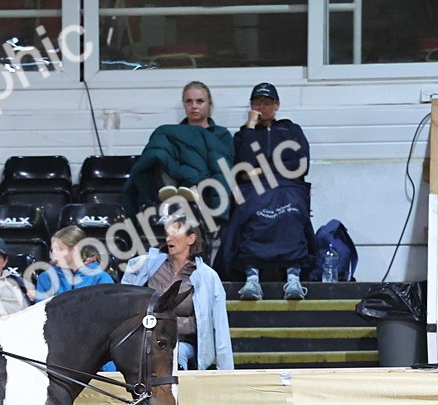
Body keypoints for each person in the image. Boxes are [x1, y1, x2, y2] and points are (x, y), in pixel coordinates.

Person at [222, 82, 315, 301]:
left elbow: (299, 164)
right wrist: (251, 128)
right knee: (254, 215)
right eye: (257, 102)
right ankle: (251, 277)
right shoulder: (242, 135)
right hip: (255, 190)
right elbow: (242, 166)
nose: (261, 107)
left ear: (277, 105)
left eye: (267, 102)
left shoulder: (291, 130)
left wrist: (260, 170)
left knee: (291, 213)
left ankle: (294, 277)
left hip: (288, 187)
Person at [121, 211, 234, 371]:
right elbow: (125, 290)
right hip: (146, 338)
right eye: (167, 235)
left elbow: (221, 327)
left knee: (175, 354)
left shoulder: (208, 277)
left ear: (191, 238)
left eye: (174, 234)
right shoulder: (149, 265)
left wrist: (226, 373)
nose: (168, 239)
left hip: (183, 342)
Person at [120, 81, 235, 227]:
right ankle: (174, 193)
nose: (194, 106)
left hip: (204, 187)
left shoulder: (221, 134)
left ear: (209, 104)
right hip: (173, 182)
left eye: (200, 101)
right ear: (184, 104)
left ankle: (189, 192)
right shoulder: (170, 134)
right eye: (189, 101)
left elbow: (224, 167)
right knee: (158, 153)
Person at [34, 225, 82, 301]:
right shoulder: (46, 278)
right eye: (52, 250)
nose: (53, 255)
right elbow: (41, 311)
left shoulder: (100, 277)